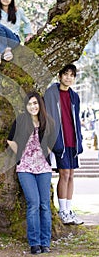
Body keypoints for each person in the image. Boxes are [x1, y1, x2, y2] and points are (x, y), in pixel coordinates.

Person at [7, 91, 55, 255]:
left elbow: (53, 142)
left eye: (35, 103)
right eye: (29, 104)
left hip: (43, 169)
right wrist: (20, 153)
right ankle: (34, 243)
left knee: (44, 205)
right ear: (26, 106)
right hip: (25, 168)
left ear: (40, 105)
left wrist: (45, 153)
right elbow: (9, 140)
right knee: (33, 203)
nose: (33, 106)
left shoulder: (48, 122)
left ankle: (45, 242)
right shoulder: (21, 120)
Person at [44, 64, 84, 225]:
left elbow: (77, 120)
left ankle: (68, 210)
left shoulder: (75, 96)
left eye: (71, 75)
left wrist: (79, 140)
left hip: (72, 141)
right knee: (64, 174)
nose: (68, 77)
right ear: (59, 76)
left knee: (71, 175)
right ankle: (62, 211)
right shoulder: (52, 93)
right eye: (65, 74)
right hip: (59, 140)